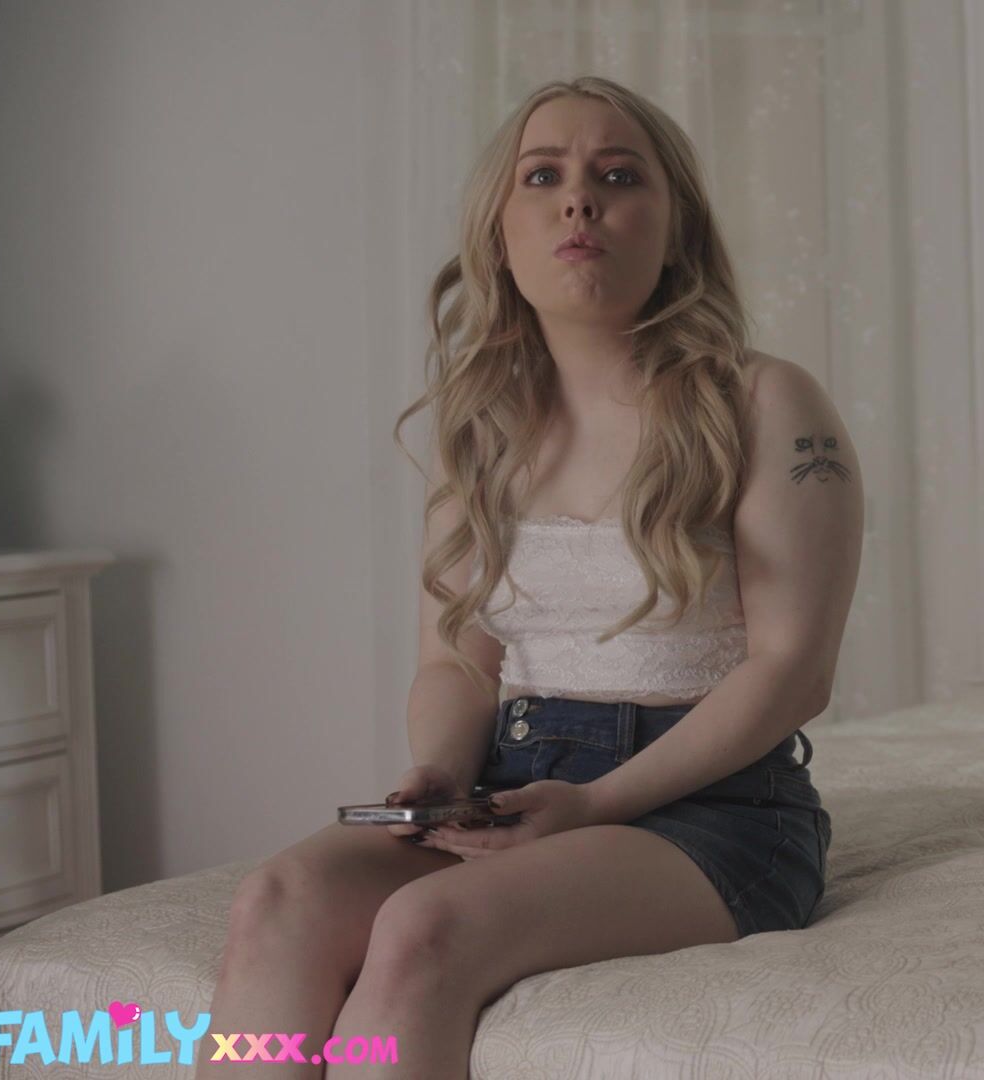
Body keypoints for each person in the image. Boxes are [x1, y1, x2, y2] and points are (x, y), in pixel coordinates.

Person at [196, 76, 863, 1080]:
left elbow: (793, 670)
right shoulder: (482, 427)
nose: (578, 198)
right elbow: (456, 661)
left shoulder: (766, 400)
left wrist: (595, 806)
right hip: (514, 783)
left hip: (718, 808)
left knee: (425, 929)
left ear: (676, 228)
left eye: (619, 176)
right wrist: (440, 774)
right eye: (542, 176)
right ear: (499, 235)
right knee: (278, 900)